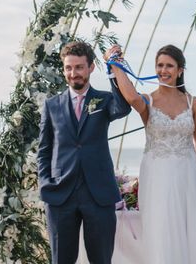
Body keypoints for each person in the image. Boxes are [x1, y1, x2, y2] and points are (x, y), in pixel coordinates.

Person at [104, 43, 196, 264]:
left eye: (169, 65)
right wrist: (115, 63)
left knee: (192, 231)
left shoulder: (193, 102)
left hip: (188, 176)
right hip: (157, 176)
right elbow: (130, 98)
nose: (163, 70)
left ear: (180, 71)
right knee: (162, 230)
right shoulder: (147, 100)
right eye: (159, 65)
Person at [37, 41, 131, 264]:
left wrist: (114, 67)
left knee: (101, 260)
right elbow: (44, 150)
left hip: (98, 195)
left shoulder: (105, 100)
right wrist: (45, 183)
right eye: (69, 68)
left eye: (79, 67)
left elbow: (123, 107)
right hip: (61, 195)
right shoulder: (52, 105)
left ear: (91, 68)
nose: (73, 73)